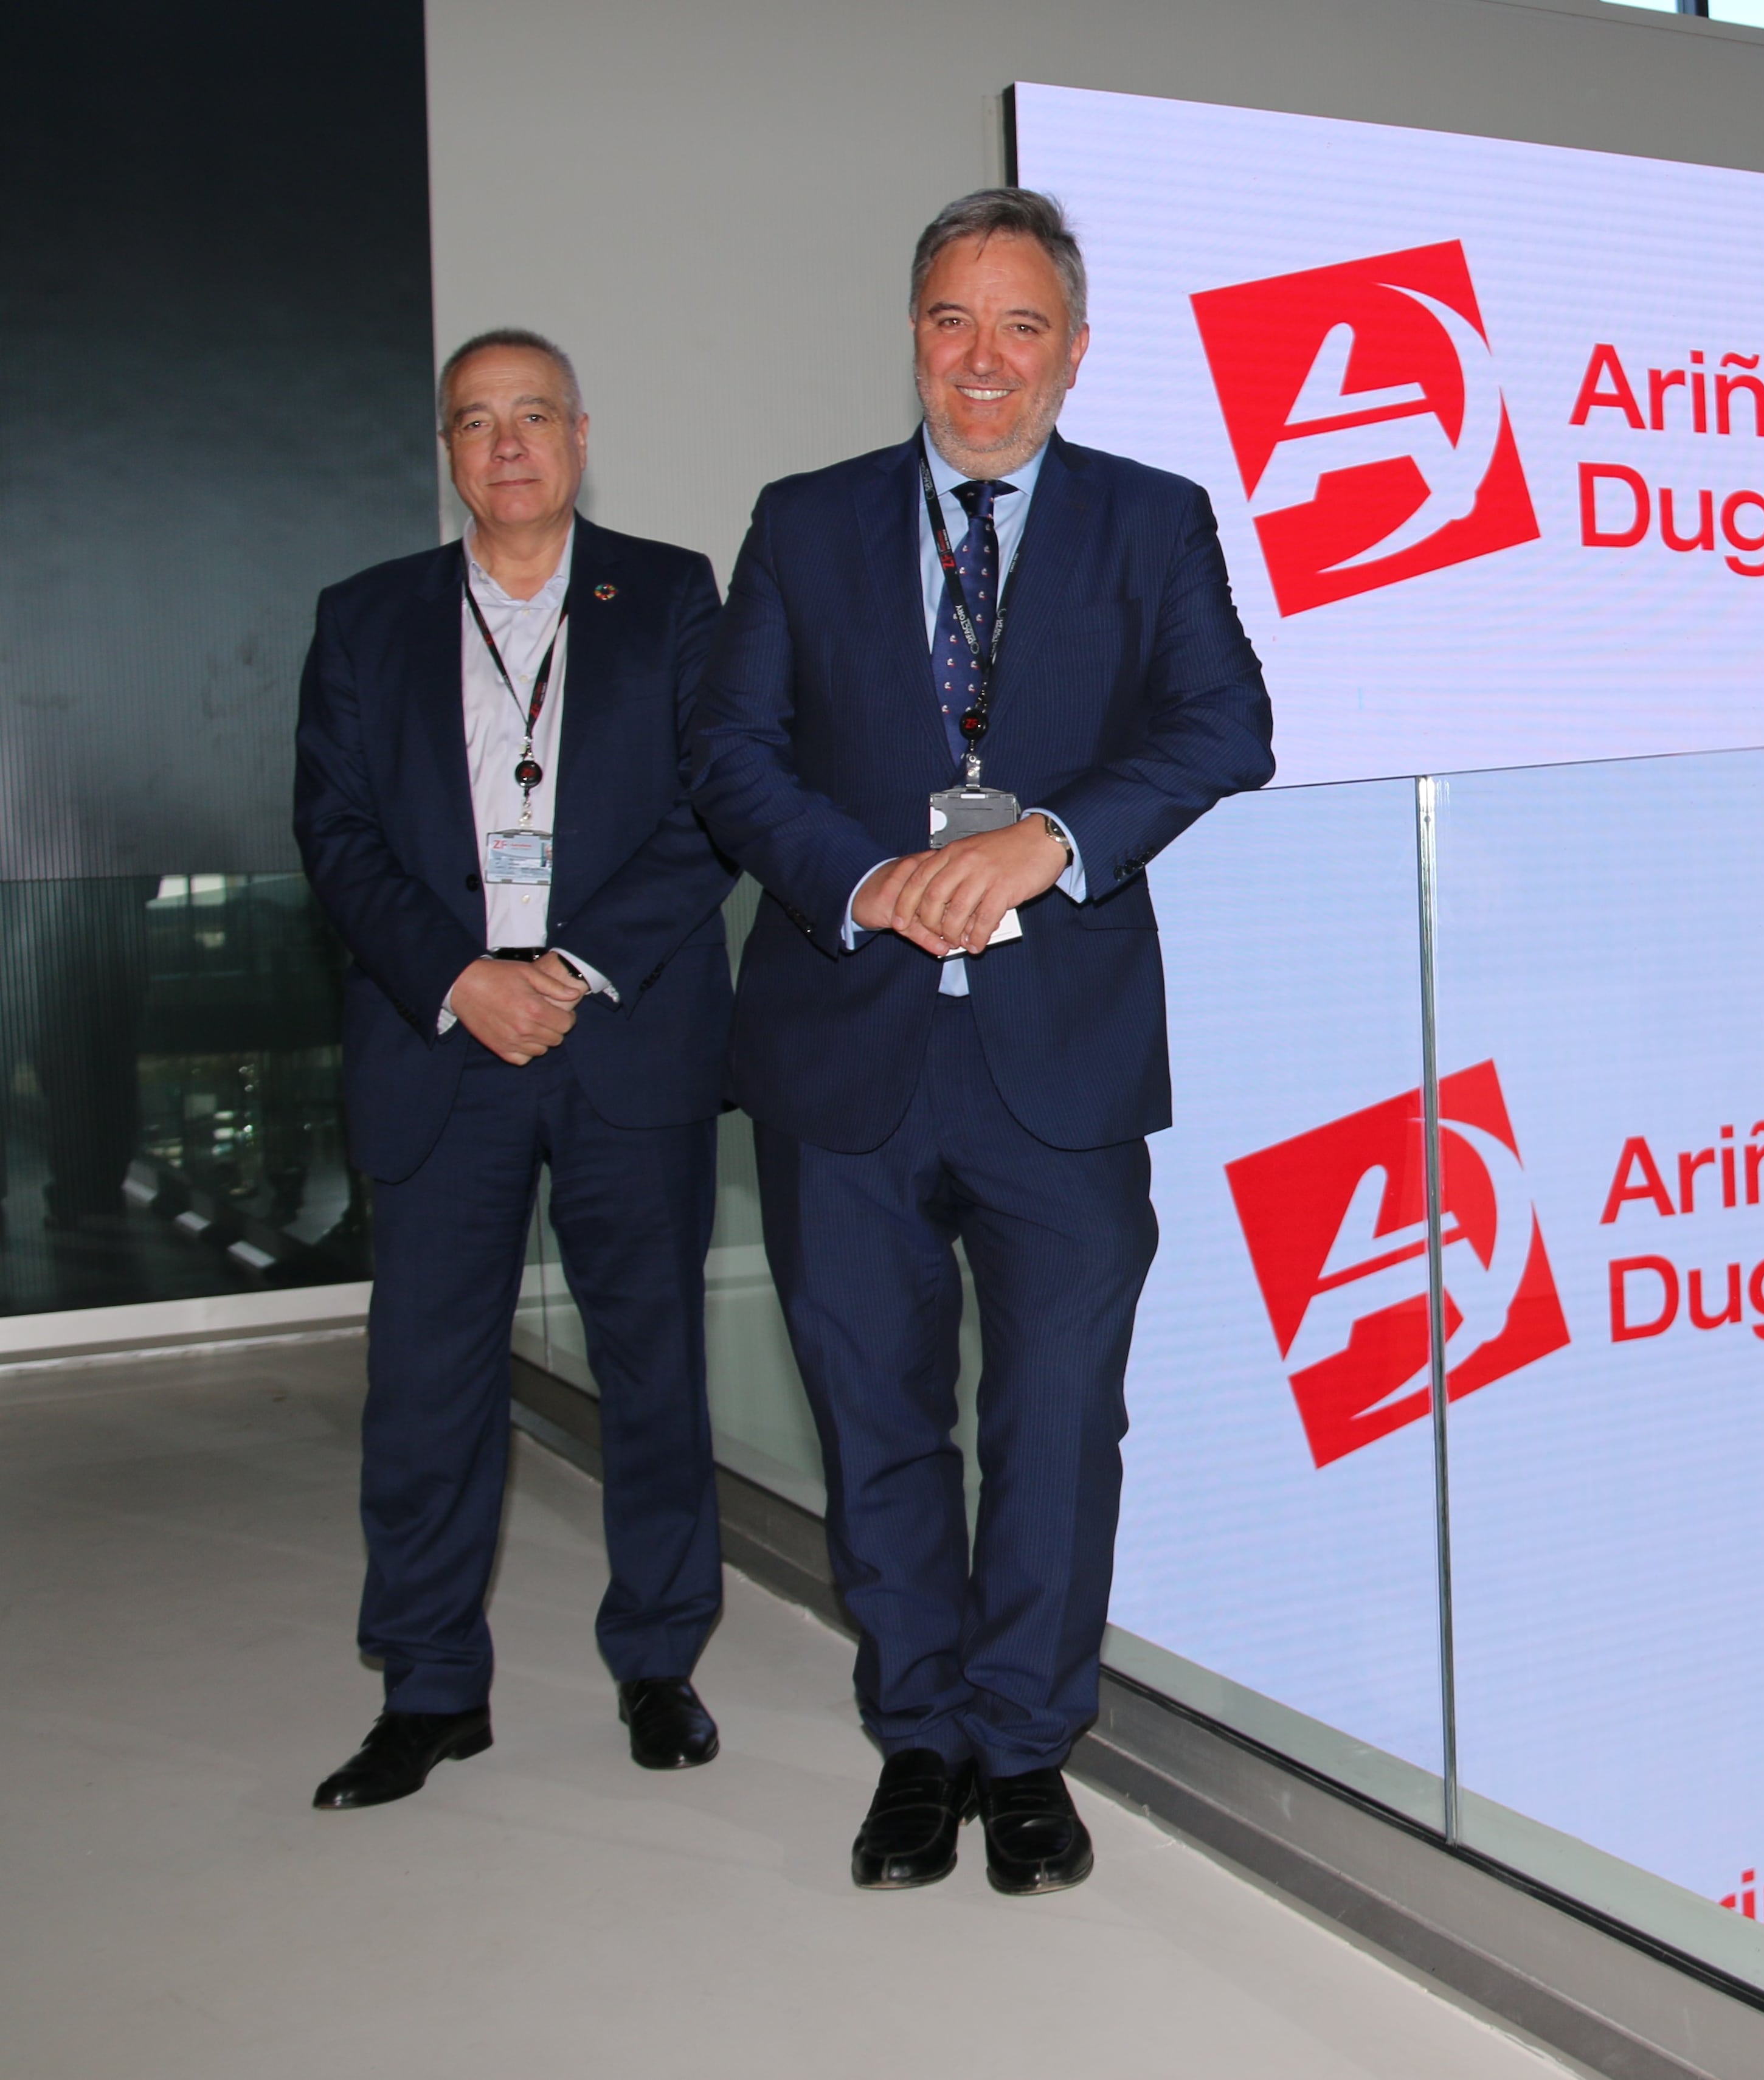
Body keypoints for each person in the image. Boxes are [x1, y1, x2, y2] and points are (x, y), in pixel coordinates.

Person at [690, 189, 1273, 1895]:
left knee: (1058, 1419)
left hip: (1063, 1062)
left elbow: (1226, 723)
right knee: (874, 1418)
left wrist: (1053, 839)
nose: (986, 361)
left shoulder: (1153, 523)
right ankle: (919, 1737)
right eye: (954, 320)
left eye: (1023, 327)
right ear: (916, 335)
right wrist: (864, 879)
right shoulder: (803, 523)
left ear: (1075, 352)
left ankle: (1027, 1748)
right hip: (845, 1053)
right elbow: (732, 755)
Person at [293, 329, 739, 1809]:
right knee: (425, 1384)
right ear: (448, 450)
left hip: (622, 1034)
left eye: (531, 417)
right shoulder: (364, 621)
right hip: (445, 1046)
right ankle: (428, 1690)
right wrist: (462, 979)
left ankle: (660, 1659)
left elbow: (711, 811)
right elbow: (336, 837)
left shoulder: (672, 596)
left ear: (580, 434)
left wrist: (565, 969)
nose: (506, 446)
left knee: (653, 1370)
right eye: (474, 423)